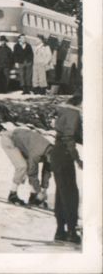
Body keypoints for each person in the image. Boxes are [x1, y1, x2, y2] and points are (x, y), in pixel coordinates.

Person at [50, 94, 82, 243]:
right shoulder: (73, 113)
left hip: (57, 152)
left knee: (61, 192)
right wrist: (77, 159)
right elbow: (69, 137)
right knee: (70, 193)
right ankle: (71, 231)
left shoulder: (63, 111)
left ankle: (60, 230)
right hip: (64, 154)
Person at [0, 128, 52, 207]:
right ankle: (12, 194)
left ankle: (33, 196)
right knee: (23, 166)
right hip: (9, 139)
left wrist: (44, 189)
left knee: (30, 166)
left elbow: (47, 170)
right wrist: (39, 191)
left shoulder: (51, 151)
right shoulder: (38, 151)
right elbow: (32, 173)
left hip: (23, 144)